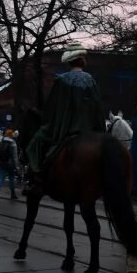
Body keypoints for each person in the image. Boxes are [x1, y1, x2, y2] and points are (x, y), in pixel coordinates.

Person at [26, 41, 106, 194]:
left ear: (69, 62)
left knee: (35, 142)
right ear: (82, 60)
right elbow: (97, 107)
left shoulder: (62, 80)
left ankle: (37, 178)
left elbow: (53, 109)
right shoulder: (91, 80)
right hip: (88, 130)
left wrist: (48, 121)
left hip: (67, 129)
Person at [0, 129, 19, 200]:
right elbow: (15, 156)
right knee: (11, 178)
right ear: (11, 135)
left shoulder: (1, 141)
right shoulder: (13, 143)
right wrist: (17, 167)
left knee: (1, 177)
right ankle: (13, 194)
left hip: (2, 162)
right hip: (10, 164)